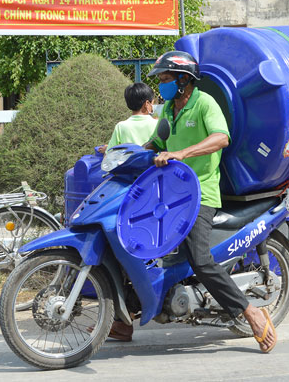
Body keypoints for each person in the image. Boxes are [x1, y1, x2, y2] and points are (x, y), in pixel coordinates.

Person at [147, 51, 276, 353]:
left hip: (200, 194)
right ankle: (124, 319)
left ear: (183, 80)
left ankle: (250, 312)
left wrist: (182, 153)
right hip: (171, 195)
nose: (161, 86)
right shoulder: (168, 109)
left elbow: (221, 138)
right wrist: (120, 152)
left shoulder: (204, 103)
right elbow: (156, 144)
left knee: (201, 260)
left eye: (165, 79)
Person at [97, 82, 158, 155]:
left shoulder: (121, 126)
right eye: (153, 102)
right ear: (147, 104)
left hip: (129, 166)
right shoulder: (157, 124)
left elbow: (109, 153)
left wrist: (108, 148)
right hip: (155, 165)